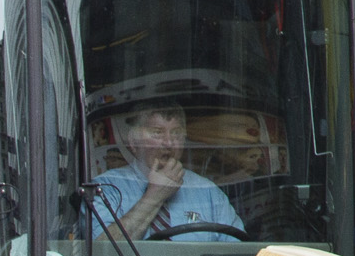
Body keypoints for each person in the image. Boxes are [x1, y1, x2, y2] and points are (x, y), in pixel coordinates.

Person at [86, 102, 243, 241]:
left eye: (176, 133)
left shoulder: (208, 192)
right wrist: (155, 195)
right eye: (157, 132)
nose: (168, 143)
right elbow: (102, 251)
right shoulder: (106, 188)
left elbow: (237, 254)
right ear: (133, 142)